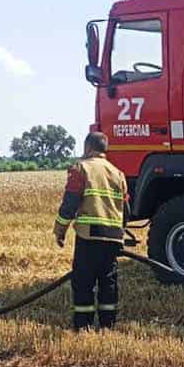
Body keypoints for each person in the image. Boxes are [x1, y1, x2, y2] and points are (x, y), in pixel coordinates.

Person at [53, 131, 129, 329]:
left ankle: (84, 326)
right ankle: (107, 326)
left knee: (84, 282)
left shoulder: (81, 168)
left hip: (89, 236)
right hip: (113, 238)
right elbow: (126, 210)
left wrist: (60, 230)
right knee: (108, 282)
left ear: (87, 147)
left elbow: (70, 204)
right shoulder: (117, 173)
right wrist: (121, 233)